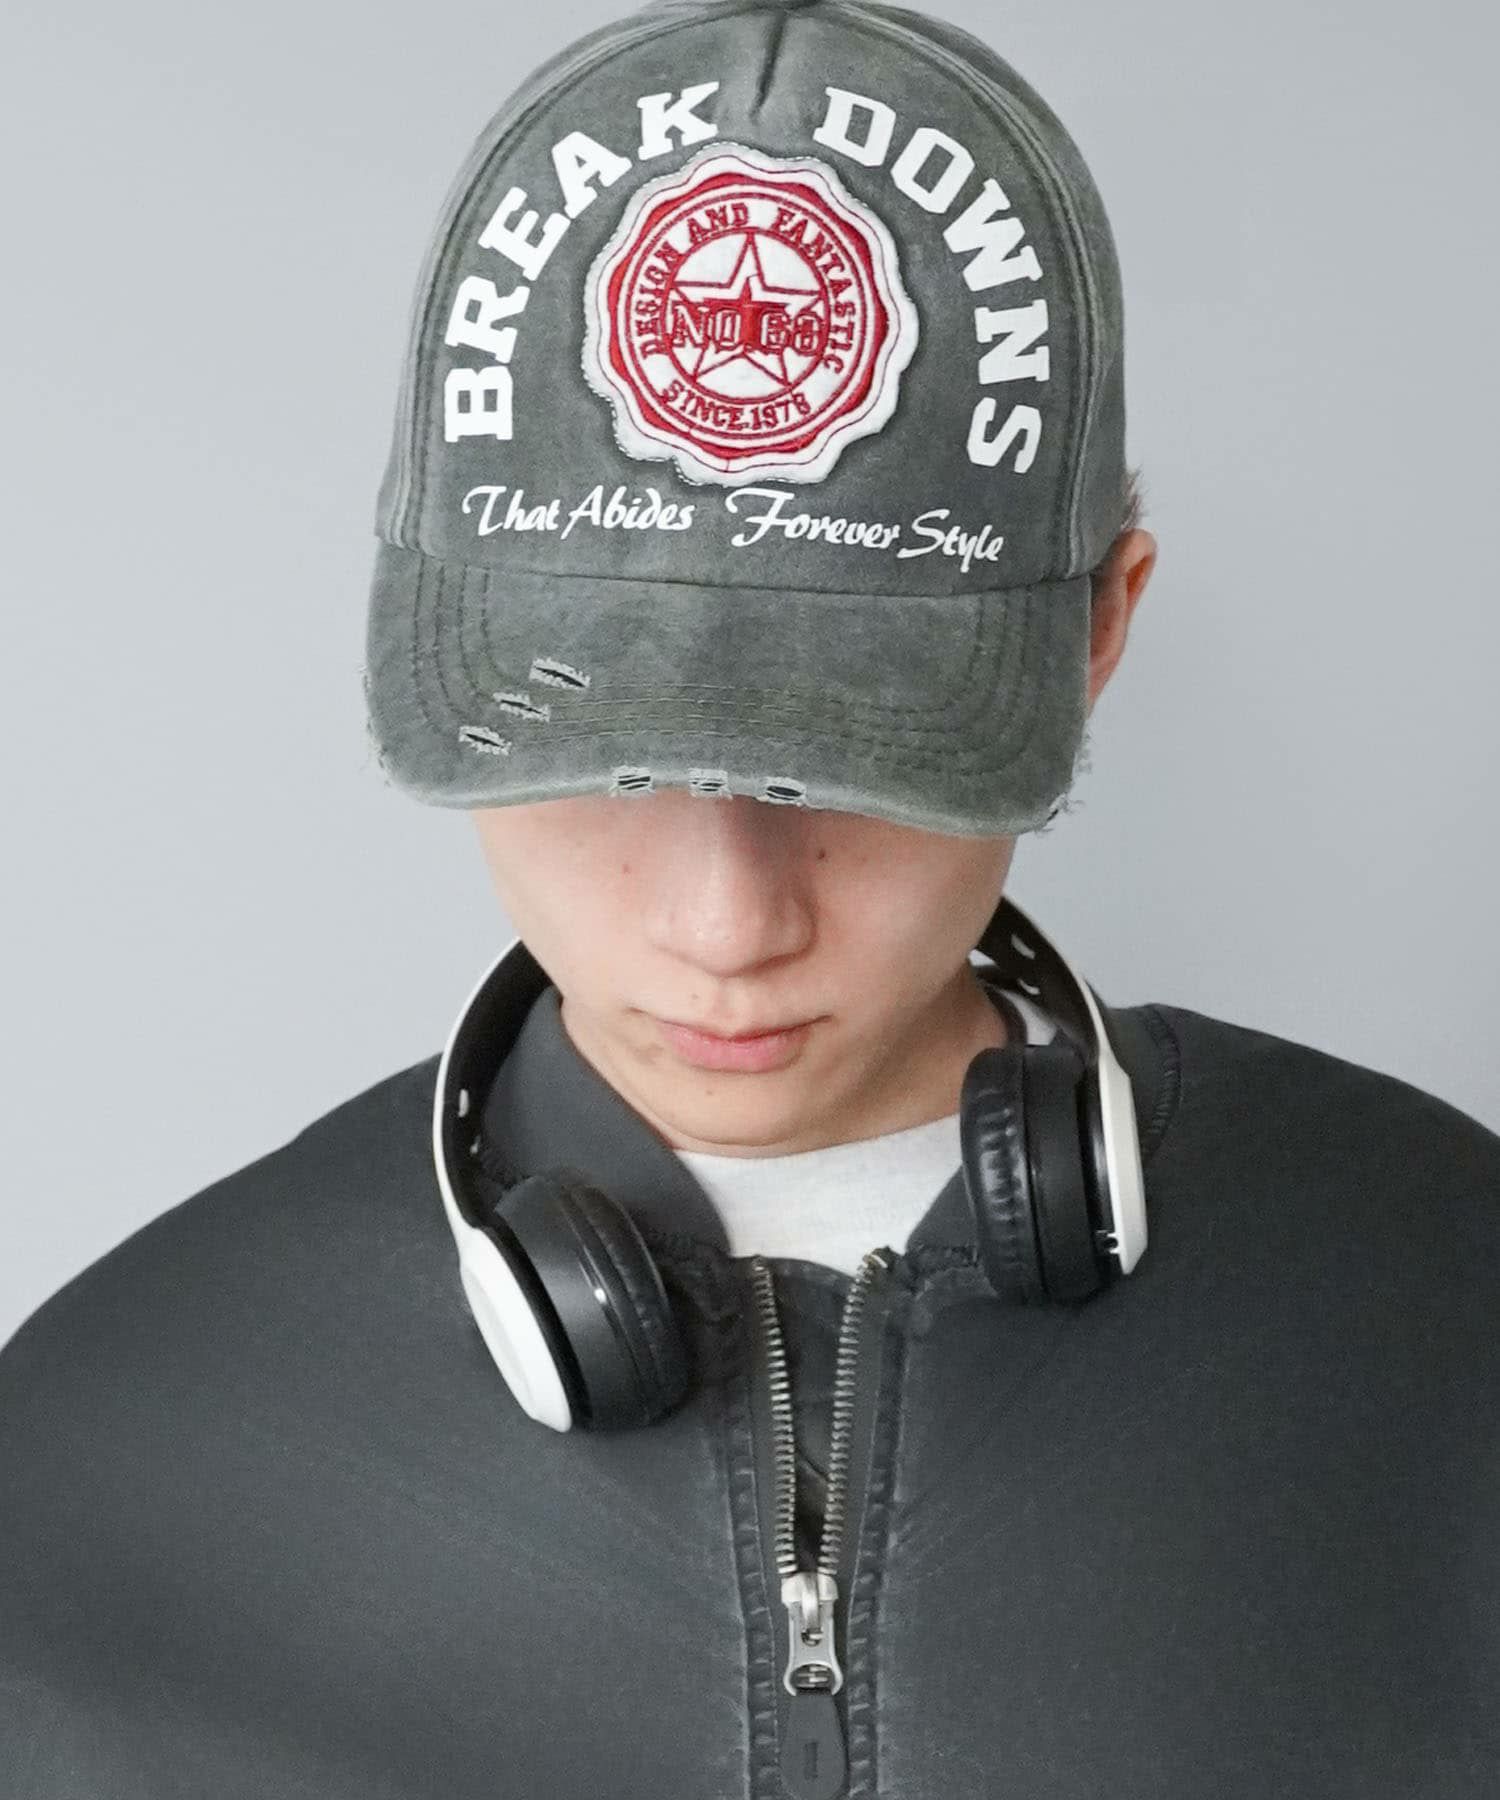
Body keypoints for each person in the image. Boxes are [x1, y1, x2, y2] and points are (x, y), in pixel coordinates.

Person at [3, 1, 1497, 1795]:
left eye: (850, 765)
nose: (728, 929)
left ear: (1100, 627)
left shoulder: (1453, 1314)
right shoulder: (100, 1453)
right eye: (604, 756)